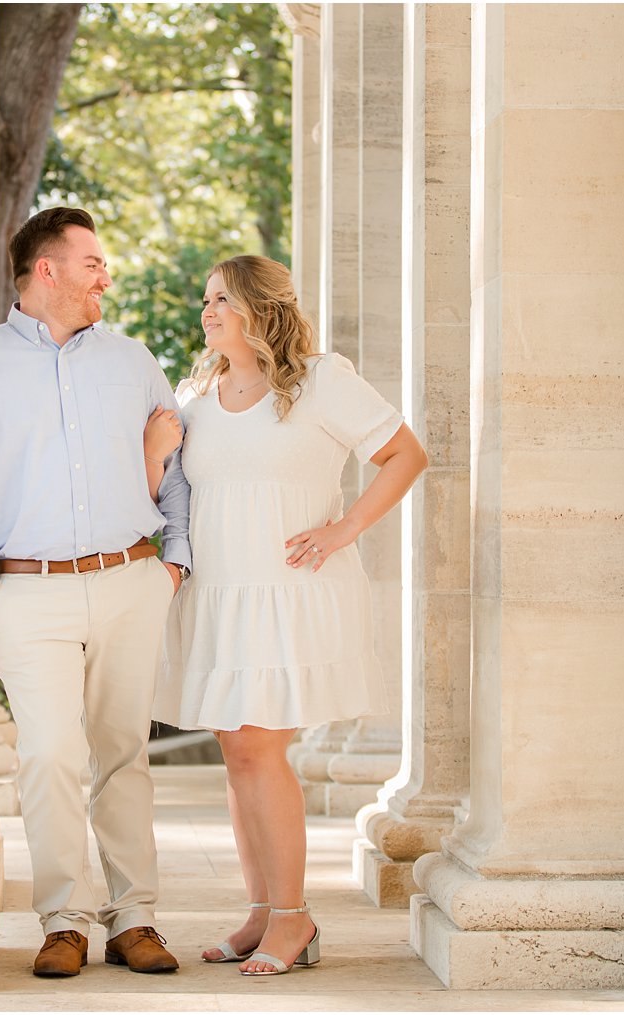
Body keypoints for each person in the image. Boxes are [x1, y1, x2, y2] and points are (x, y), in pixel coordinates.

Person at [147, 254, 428, 976]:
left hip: (289, 593)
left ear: (260, 308)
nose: (207, 312)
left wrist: (343, 530)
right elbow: (171, 492)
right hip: (216, 595)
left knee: (261, 749)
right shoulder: (197, 394)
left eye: (222, 300)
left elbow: (404, 454)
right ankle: (261, 910)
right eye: (206, 299)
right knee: (239, 755)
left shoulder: (320, 381)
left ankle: (294, 918)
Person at [0, 207, 193, 978]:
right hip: (26, 592)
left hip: (130, 580)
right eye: (92, 263)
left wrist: (172, 564)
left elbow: (176, 461)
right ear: (45, 271)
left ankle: (135, 916)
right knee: (50, 753)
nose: (104, 277)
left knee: (123, 753)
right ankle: (64, 919)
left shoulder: (132, 358)